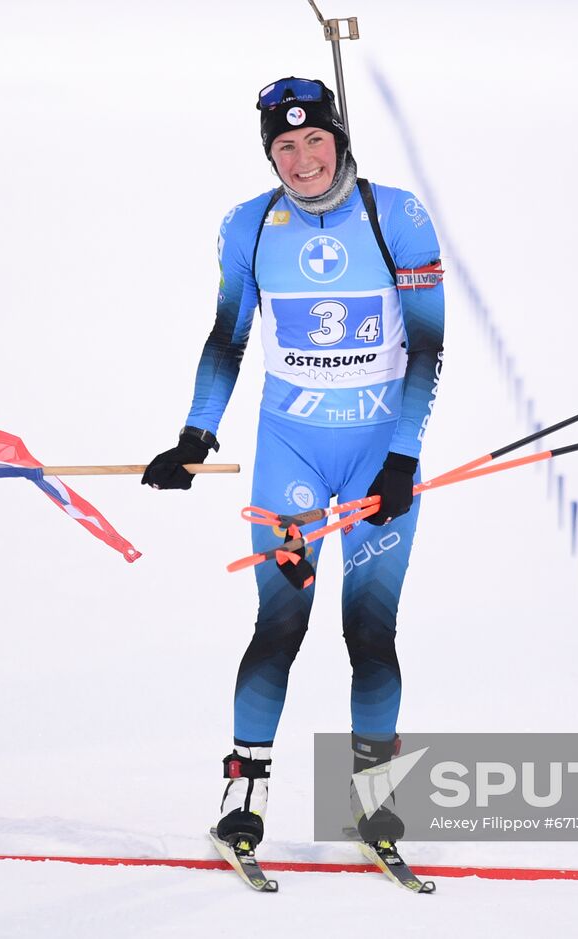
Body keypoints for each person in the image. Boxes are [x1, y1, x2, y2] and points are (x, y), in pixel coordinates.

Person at [142, 77, 444, 849]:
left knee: (370, 633)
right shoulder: (248, 226)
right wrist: (194, 435)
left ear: (339, 138)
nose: (303, 159)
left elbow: (428, 347)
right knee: (279, 626)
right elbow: (227, 336)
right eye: (285, 145)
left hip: (379, 454)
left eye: (315, 140)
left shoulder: (398, 216)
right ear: (270, 152)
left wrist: (403, 457)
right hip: (292, 452)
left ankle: (375, 801)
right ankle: (243, 800)